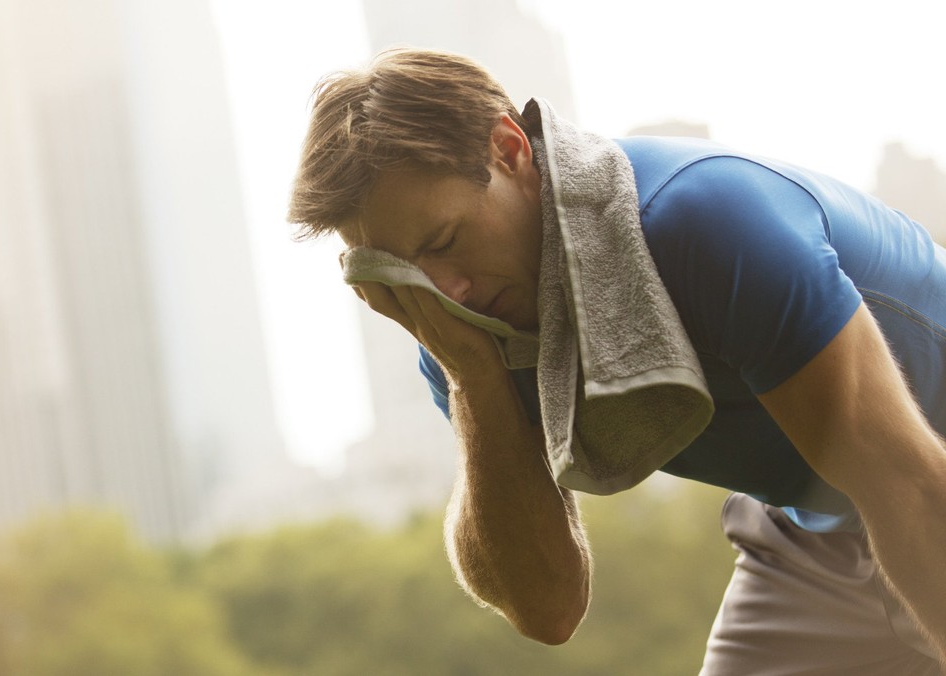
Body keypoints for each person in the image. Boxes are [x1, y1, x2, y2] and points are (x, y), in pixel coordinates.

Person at [287, 48, 946, 674]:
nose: (447, 290)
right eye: (409, 274)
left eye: (447, 239)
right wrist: (473, 380)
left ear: (510, 149)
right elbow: (546, 607)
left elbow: (907, 485)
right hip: (819, 521)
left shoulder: (705, 221)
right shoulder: (466, 332)